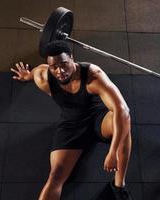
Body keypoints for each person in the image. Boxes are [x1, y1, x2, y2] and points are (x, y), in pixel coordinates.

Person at [11, 40, 132, 200]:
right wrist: (27, 76)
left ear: (72, 58)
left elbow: (122, 110)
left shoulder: (93, 76)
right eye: (54, 67)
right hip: (71, 125)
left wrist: (112, 152)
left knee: (124, 124)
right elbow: (35, 73)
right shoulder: (43, 77)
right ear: (48, 65)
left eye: (64, 64)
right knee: (55, 176)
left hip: (99, 119)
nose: (60, 71)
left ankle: (118, 186)